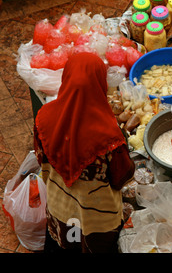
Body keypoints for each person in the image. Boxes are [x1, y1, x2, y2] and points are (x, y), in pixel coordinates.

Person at [33, 52, 135, 253]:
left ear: (66, 78)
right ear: (100, 84)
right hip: (96, 219)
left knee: (65, 244)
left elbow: (39, 157)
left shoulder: (43, 117)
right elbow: (121, 178)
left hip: (59, 206)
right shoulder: (110, 137)